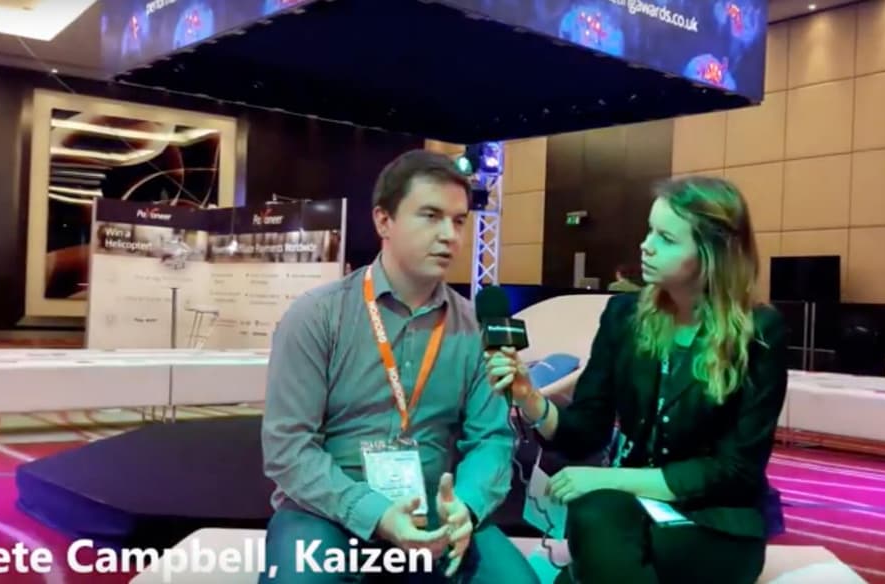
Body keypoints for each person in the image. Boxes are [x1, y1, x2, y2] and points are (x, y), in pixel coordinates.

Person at [486, 176, 787, 584]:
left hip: (715, 523)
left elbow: (736, 471)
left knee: (597, 542)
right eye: (650, 231)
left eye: (666, 238)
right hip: (626, 513)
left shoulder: (760, 331)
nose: (646, 245)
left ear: (712, 254)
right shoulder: (624, 317)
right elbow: (584, 433)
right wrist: (529, 398)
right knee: (594, 514)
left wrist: (610, 479)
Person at [261, 149, 537, 583]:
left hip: (438, 509)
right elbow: (289, 447)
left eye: (459, 220)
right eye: (430, 216)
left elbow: (492, 439)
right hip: (327, 511)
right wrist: (376, 513)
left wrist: (464, 508)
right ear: (383, 221)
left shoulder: (474, 327)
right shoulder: (317, 316)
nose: (449, 235)